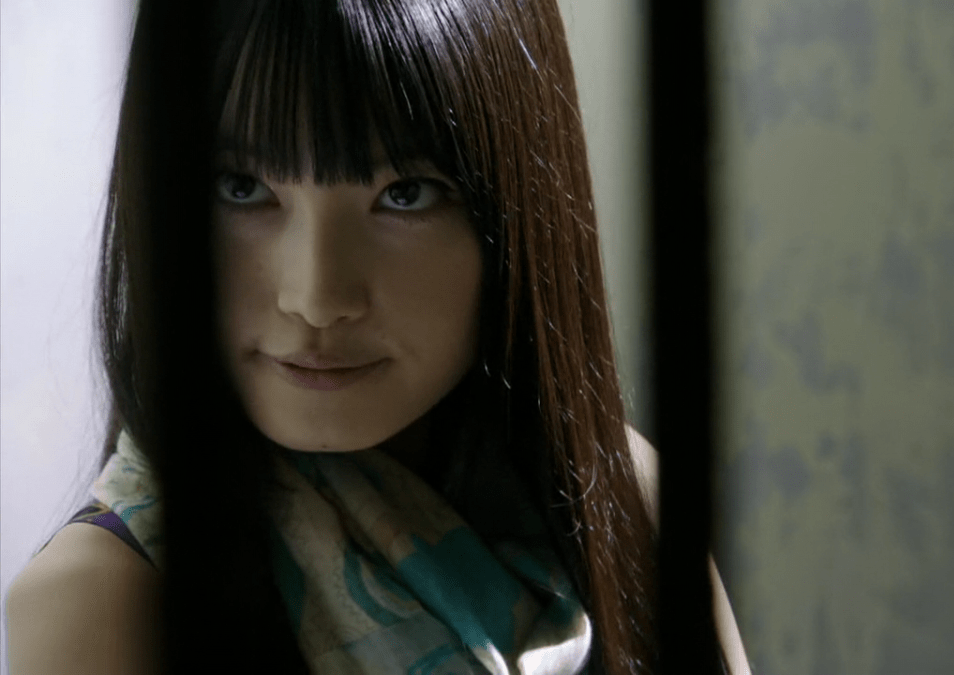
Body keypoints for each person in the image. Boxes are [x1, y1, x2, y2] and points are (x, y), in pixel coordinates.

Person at [4, 1, 750, 673]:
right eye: (243, 187)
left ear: (518, 218)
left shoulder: (623, 499)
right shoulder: (107, 602)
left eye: (404, 194)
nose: (316, 298)